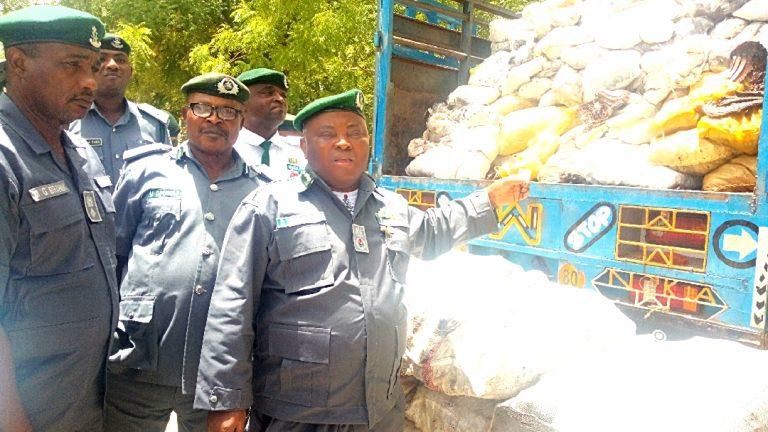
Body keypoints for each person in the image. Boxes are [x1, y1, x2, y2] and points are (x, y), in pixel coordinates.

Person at [195, 89, 529, 432]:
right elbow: (231, 306)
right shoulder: (269, 207)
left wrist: (487, 201)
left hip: (378, 409)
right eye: (328, 134)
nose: (344, 142)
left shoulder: (390, 207)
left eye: (355, 133)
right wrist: (226, 400)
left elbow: (430, 232)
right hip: (298, 411)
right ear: (305, 147)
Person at [107, 72, 271, 432]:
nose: (215, 118)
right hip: (140, 353)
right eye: (203, 107)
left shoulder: (264, 191)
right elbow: (112, 258)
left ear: (242, 123)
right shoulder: (145, 172)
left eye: (228, 112)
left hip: (216, 365)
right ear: (185, 114)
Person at [0, 6, 118, 432]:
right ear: (18, 62)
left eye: (92, 66)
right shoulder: (5, 159)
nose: (90, 81)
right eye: (72, 66)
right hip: (32, 411)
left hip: (90, 399)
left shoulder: (79, 151)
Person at [69, 33, 171, 183]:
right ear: (91, 69)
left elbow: (167, 178)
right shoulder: (69, 119)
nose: (112, 65)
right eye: (102, 59)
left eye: (120, 60)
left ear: (130, 72)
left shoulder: (154, 124)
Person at [235, 67, 305, 179]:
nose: (280, 99)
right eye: (268, 93)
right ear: (242, 103)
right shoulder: (226, 150)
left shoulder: (301, 152)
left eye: (283, 95)